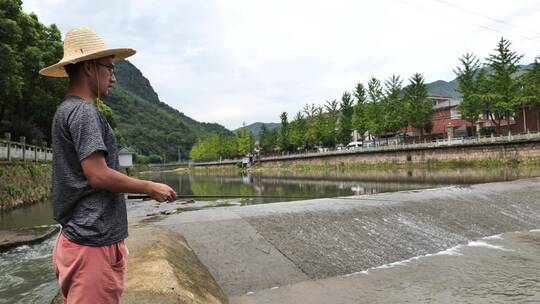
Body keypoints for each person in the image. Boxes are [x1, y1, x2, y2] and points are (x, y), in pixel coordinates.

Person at [39, 27, 177, 303]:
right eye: (109, 68)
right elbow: (98, 175)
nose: (113, 77)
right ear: (89, 67)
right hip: (93, 242)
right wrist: (149, 186)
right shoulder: (84, 112)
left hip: (83, 238)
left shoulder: (66, 109)